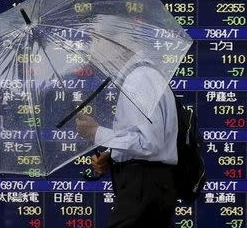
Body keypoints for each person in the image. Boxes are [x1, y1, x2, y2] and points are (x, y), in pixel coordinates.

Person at [76, 50, 178, 228]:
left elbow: (149, 143)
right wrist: (112, 153)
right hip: (149, 185)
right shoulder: (142, 75)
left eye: (94, 39)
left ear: (111, 42)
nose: (91, 50)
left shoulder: (139, 79)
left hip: (143, 186)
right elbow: (145, 136)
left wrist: (96, 132)